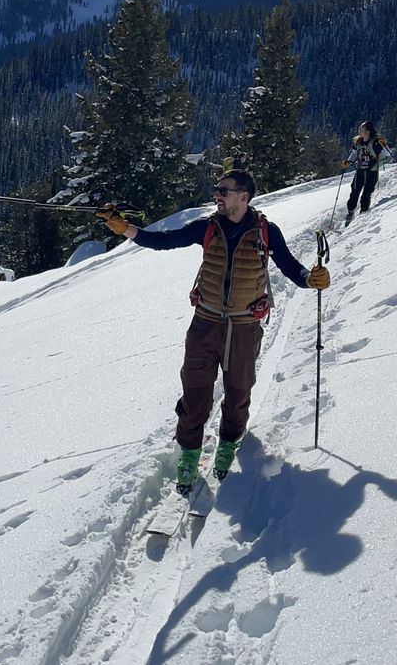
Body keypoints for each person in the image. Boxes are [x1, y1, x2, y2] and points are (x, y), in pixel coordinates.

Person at [101, 169, 329, 494]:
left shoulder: (266, 232)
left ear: (244, 197)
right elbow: (163, 240)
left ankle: (228, 443)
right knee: (195, 393)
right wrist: (127, 229)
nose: (218, 196)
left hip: (244, 326)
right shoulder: (207, 228)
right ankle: (190, 454)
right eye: (217, 190)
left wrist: (310, 278)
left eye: (224, 190)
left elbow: (291, 266)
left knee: (238, 392)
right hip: (205, 324)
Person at [344, 122, 389, 225]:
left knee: (366, 193)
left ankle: (363, 212)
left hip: (371, 171)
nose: (360, 131)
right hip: (360, 170)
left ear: (368, 131)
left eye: (362, 129)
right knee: (354, 191)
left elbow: (387, 153)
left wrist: (384, 144)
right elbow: (354, 154)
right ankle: (351, 212)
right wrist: (348, 161)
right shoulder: (358, 142)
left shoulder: (376, 142)